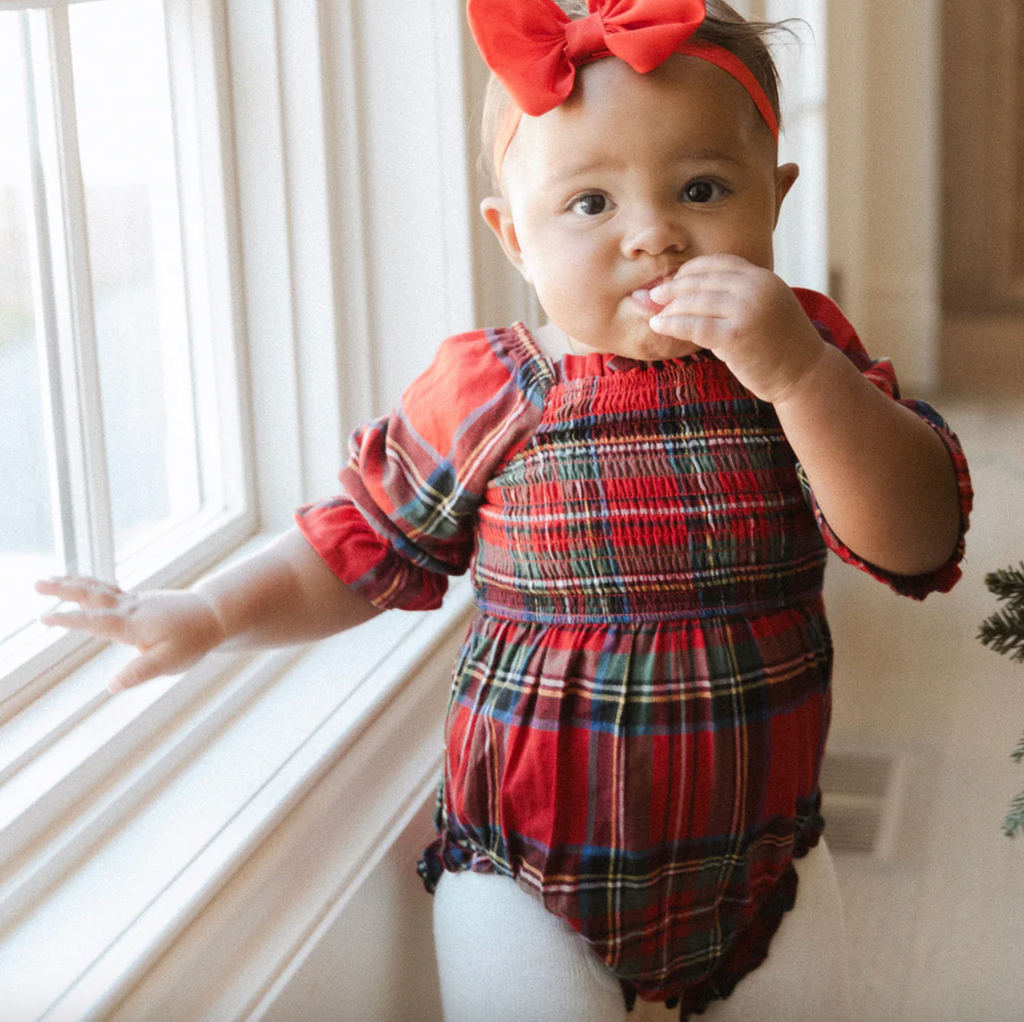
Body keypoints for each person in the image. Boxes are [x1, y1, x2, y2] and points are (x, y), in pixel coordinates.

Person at [36, 0, 973, 1018]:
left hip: (754, 855)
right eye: (590, 205)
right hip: (527, 858)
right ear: (513, 236)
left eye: (701, 189)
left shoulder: (802, 359)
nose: (654, 234)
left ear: (774, 199)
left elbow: (916, 538)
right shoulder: (490, 387)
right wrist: (210, 612)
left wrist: (799, 374)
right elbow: (360, 542)